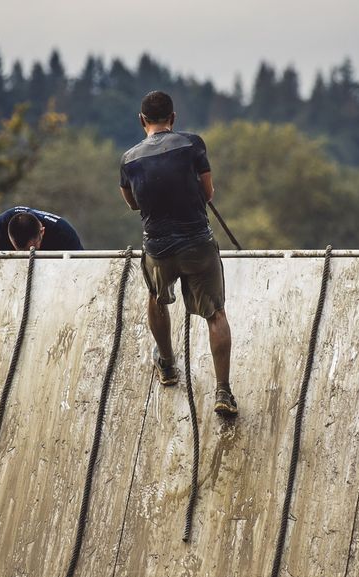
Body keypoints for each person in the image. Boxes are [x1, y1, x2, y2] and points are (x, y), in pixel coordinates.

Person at [119, 90, 236, 418]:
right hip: (197, 242)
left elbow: (132, 204)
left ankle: (167, 365)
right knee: (216, 314)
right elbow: (208, 191)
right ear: (173, 118)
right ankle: (223, 391)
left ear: (142, 120)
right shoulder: (192, 144)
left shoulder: (128, 159)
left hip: (158, 247)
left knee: (157, 296)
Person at [0, 206, 83, 251]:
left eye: (31, 248)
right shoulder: (2, 223)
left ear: (42, 232)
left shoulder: (63, 233)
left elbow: (81, 268)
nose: (25, 255)